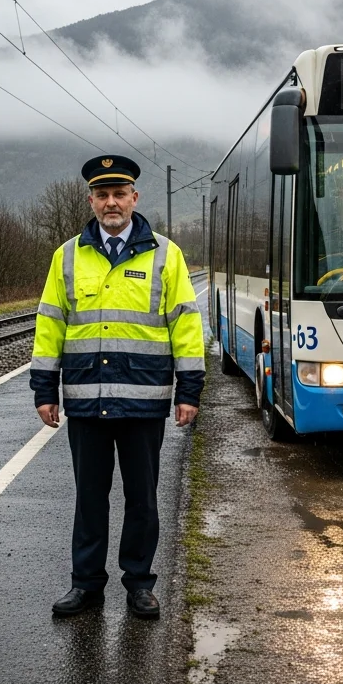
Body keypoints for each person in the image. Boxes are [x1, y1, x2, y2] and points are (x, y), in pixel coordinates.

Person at [30, 155, 205, 620]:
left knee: (142, 500)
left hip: (143, 402)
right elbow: (49, 326)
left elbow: (186, 326)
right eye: (102, 195)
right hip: (87, 401)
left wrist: (189, 392)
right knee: (90, 499)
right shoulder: (66, 256)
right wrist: (44, 390)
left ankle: (140, 584)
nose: (111, 203)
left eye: (119, 194)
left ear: (134, 199)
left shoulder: (166, 255)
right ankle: (85, 585)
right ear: (91, 200)